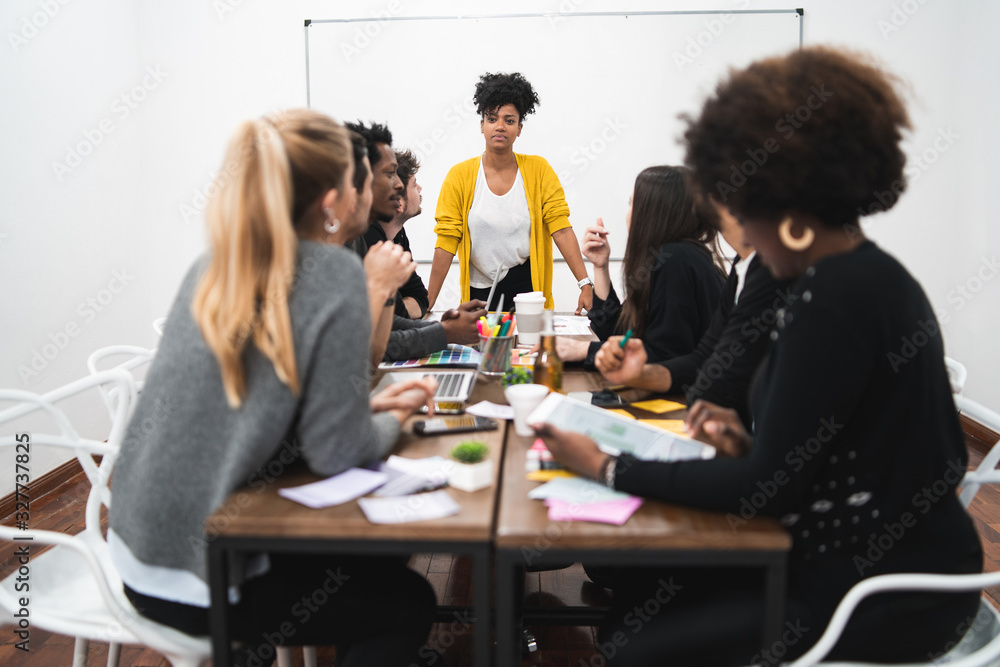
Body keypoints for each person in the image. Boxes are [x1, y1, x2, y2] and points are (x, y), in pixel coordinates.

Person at [533, 47, 982, 665]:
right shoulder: (861, 276)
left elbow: (766, 488)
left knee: (632, 641)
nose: (735, 223)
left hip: (882, 592)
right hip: (861, 555)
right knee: (638, 608)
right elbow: (827, 452)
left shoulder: (834, 297)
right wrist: (749, 443)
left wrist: (606, 466)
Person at [108, 110, 440, 667]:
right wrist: (394, 421)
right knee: (407, 602)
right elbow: (338, 453)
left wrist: (364, 409)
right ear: (333, 201)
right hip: (204, 578)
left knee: (376, 563)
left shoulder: (215, 263)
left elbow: (268, 404)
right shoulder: (332, 273)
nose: (375, 191)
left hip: (136, 555)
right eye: (363, 180)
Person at [594, 200, 794, 429]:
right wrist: (640, 375)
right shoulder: (744, 263)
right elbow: (704, 359)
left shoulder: (676, 257)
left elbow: (722, 376)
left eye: (634, 202)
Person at [428, 71, 593, 314]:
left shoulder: (539, 170)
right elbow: (446, 241)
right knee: (482, 341)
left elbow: (561, 228)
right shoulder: (459, 176)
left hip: (528, 290)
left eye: (509, 120)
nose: (500, 126)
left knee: (529, 340)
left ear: (519, 128)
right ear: (482, 125)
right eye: (492, 118)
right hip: (479, 293)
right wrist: (428, 301)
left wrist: (585, 283)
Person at [555, 166, 726, 370]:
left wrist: (583, 350)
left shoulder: (676, 260)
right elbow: (616, 333)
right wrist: (600, 267)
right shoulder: (673, 256)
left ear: (651, 212)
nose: (628, 215)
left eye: (632, 204)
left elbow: (663, 357)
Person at [346, 120, 485, 361]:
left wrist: (443, 328)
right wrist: (445, 332)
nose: (398, 184)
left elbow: (396, 317)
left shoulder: (359, 240)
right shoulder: (345, 250)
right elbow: (373, 344)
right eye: (389, 174)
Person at [362, 149, 429, 320]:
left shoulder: (398, 235)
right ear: (399, 202)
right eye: (414, 184)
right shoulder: (368, 237)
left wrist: (398, 311)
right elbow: (387, 313)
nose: (420, 189)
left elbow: (420, 297)